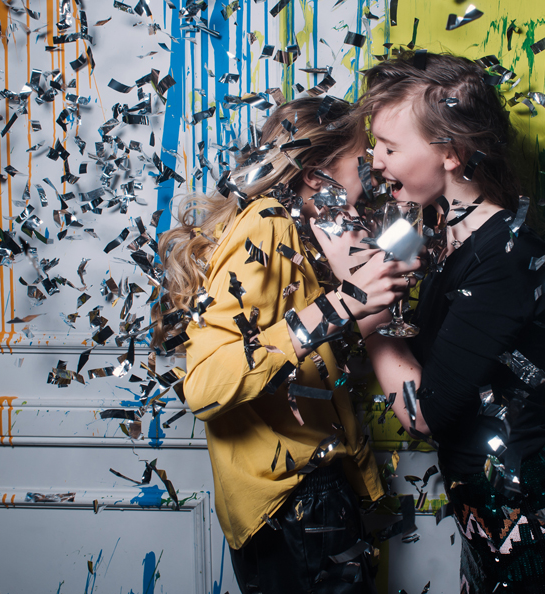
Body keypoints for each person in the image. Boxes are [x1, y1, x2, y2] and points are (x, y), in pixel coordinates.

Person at [316, 53, 545, 593]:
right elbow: (369, 260)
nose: (375, 162)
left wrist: (364, 306)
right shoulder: (437, 228)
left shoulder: (507, 257)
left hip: (537, 540)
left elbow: (423, 415)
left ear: (451, 153)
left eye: (389, 148)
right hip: (489, 530)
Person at [155, 96, 415, 594]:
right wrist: (341, 304)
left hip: (302, 496)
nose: (374, 172)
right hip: (297, 502)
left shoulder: (300, 230)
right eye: (362, 159)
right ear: (317, 175)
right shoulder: (268, 224)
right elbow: (203, 388)